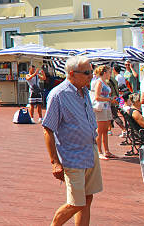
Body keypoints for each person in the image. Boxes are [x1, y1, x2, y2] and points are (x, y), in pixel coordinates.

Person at [42, 55, 102, 226]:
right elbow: (48, 129)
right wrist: (54, 162)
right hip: (72, 156)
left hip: (90, 151)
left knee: (88, 197)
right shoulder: (58, 95)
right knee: (76, 202)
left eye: (91, 71)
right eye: (87, 72)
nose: (91, 75)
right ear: (71, 74)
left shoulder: (84, 92)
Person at [90, 65, 116, 160]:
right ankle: (99, 151)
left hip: (106, 107)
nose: (110, 74)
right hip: (100, 108)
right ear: (104, 73)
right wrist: (109, 99)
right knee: (100, 131)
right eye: (109, 72)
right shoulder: (99, 82)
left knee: (105, 130)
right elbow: (97, 97)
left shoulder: (104, 82)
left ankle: (106, 151)